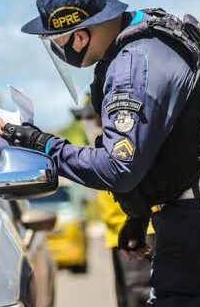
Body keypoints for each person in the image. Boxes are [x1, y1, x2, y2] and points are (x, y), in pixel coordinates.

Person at [1, 0, 200, 305]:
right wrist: (138, 214)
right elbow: (162, 145)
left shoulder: (132, 67)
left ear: (80, 36)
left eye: (59, 40)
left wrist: (43, 144)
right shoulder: (154, 33)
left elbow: (117, 167)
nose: (60, 50)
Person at [72, 99, 154, 307]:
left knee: (140, 296)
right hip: (118, 234)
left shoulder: (121, 148)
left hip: (143, 233)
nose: (86, 123)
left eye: (89, 118)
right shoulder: (103, 150)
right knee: (127, 297)